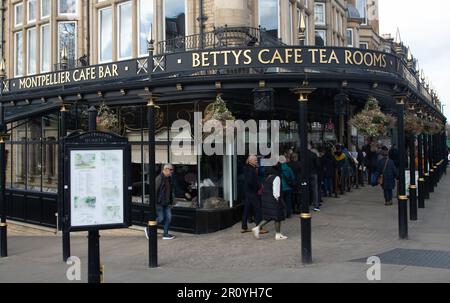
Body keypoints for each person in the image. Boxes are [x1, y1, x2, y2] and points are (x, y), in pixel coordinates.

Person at [252, 165, 288, 240]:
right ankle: (277, 234)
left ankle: (257, 228)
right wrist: (279, 201)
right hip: (273, 200)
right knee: (277, 217)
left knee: (269, 217)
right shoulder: (276, 178)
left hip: (266, 199)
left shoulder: (266, 178)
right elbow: (276, 192)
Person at [146, 163, 176, 240]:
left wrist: (172, 201)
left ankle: (165, 234)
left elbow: (170, 191)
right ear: (165, 169)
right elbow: (154, 191)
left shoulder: (169, 178)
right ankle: (148, 229)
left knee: (168, 218)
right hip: (159, 203)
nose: (172, 171)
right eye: (170, 170)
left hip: (167, 202)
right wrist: (153, 202)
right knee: (160, 218)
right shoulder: (159, 179)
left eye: (172, 170)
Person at [241, 155, 265, 234]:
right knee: (258, 209)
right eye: (255, 160)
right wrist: (258, 187)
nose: (256, 161)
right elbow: (252, 181)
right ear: (250, 161)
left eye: (256, 160)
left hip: (248, 191)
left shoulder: (247, 168)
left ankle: (244, 227)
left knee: (247, 209)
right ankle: (259, 227)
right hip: (252, 192)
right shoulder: (251, 169)